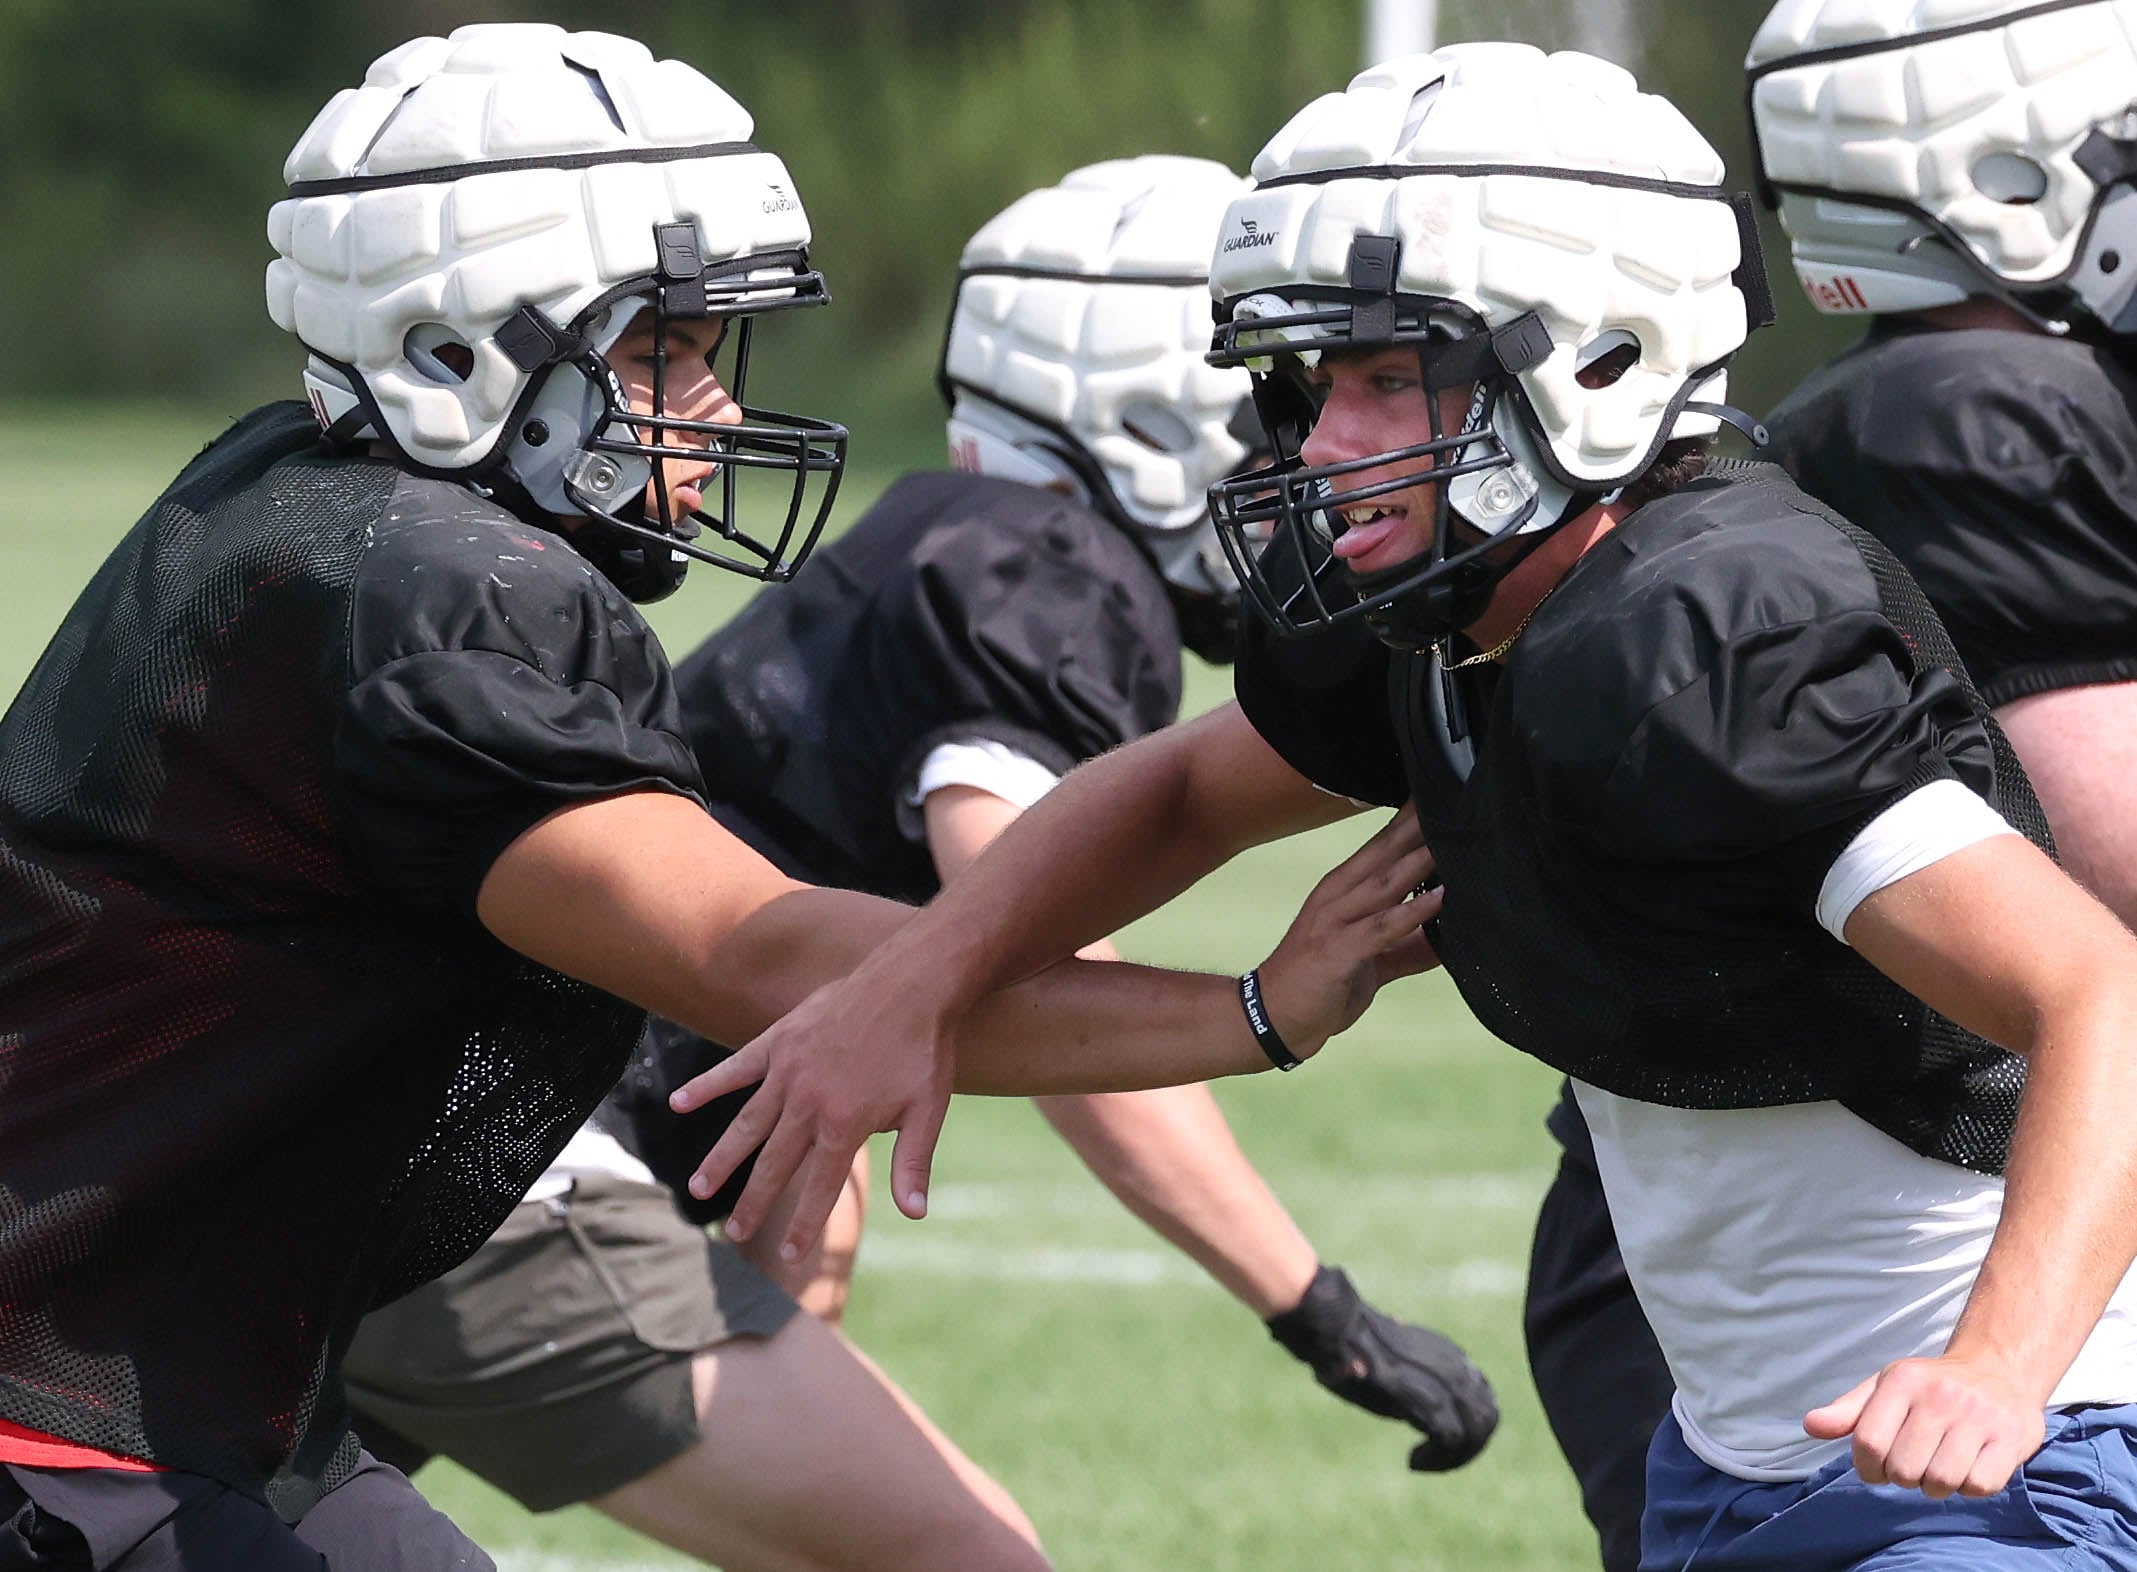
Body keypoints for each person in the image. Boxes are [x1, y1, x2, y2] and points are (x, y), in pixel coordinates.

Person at [681, 43, 2137, 1572]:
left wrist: (1996, 1371)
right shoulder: (1453, 603)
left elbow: (2092, 989)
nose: (1320, 443)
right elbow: (1181, 789)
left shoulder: (1705, 634)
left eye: (1387, 380)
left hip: (2013, 1447)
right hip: (1735, 1455)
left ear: (1598, 356)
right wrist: (907, 988)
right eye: (1312, 385)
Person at [0, 25, 1434, 1571]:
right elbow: (774, 963)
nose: (720, 410)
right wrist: (1258, 1007)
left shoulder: (291, 496)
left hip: (186, 1370)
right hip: (62, 1402)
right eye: (657, 354)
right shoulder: (437, 600)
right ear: (447, 350)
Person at [338, 156, 1498, 1572]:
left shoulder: (939, 541)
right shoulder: (1044, 575)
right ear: (1146, 418)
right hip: (524, 1175)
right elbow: (1005, 920)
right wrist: (1309, 1299)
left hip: (407, 1142)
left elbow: (842, 928)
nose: (1308, 462)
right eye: (1279, 415)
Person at [1521, 5, 2137, 1564]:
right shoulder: (1970, 414)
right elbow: (2116, 880)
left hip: (1804, 1254)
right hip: (1857, 1292)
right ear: (2005, 175)